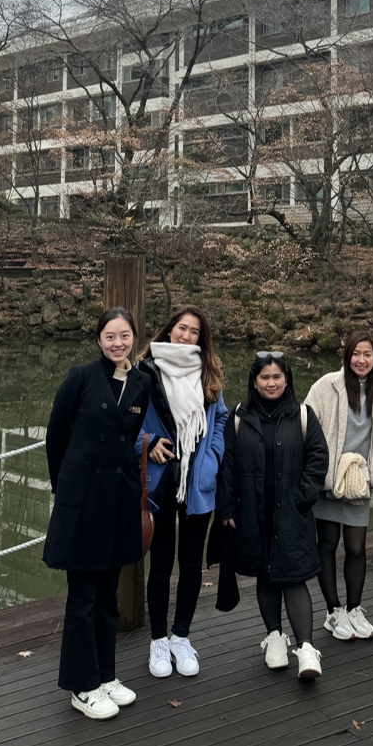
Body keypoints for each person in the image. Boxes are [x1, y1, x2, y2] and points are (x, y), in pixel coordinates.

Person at [43, 307, 152, 720]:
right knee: (83, 596)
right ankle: (81, 685)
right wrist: (65, 487)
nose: (117, 343)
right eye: (110, 336)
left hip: (118, 501)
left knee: (108, 596)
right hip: (83, 500)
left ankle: (105, 675)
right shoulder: (80, 378)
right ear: (98, 339)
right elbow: (56, 436)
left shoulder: (140, 382)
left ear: (134, 339)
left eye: (124, 336)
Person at [217, 352, 329, 678]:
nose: (271, 383)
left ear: (286, 380)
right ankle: (275, 638)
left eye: (277, 377)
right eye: (265, 377)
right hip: (252, 510)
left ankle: (306, 649)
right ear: (255, 381)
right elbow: (227, 467)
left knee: (293, 576)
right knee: (265, 574)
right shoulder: (238, 417)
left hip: (291, 511)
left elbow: (317, 458)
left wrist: (302, 498)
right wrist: (227, 507)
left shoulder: (303, 415)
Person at [137, 305, 227, 679]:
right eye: (181, 328)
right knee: (160, 564)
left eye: (194, 332)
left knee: (191, 564)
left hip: (197, 481)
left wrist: (212, 460)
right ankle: (158, 639)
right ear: (169, 330)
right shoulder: (145, 370)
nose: (187, 336)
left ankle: (181, 636)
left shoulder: (208, 373)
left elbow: (219, 418)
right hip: (159, 480)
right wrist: (147, 442)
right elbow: (126, 421)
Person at [303, 332, 373, 641]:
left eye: (367, 354)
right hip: (327, 480)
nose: (361, 360)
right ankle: (333, 611)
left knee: (356, 547)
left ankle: (354, 608)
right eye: (356, 354)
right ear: (346, 355)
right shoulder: (326, 386)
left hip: (357, 483)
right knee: (325, 545)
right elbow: (305, 424)